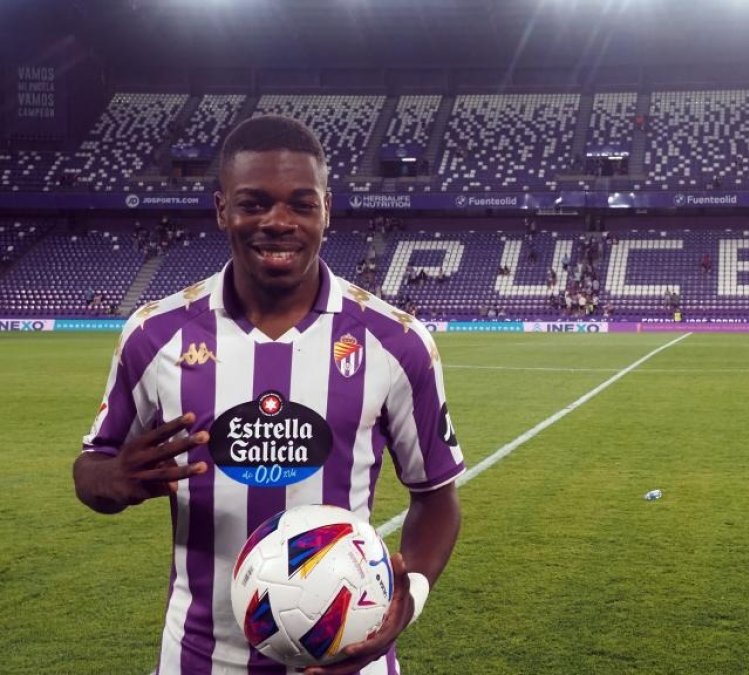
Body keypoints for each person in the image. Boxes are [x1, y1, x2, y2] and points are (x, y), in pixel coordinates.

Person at [72, 115, 465, 675]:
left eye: (301, 204)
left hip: (350, 656)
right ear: (221, 209)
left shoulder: (396, 342)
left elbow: (437, 494)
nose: (277, 222)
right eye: (254, 203)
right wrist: (109, 480)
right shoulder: (154, 335)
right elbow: (93, 464)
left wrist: (412, 596)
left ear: (326, 209)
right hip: (199, 658)